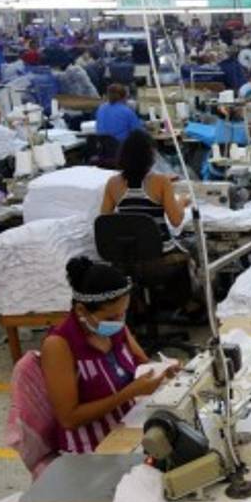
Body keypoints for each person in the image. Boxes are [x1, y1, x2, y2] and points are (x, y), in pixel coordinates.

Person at [41, 258, 175, 454]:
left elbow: (142, 363)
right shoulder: (59, 345)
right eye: (111, 317)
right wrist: (127, 394)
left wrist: (163, 371)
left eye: (123, 313)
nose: (119, 321)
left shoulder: (115, 327)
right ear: (81, 310)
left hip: (128, 427)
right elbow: (68, 418)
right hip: (91, 448)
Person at [100, 129, 190, 254]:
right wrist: (182, 202)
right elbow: (176, 221)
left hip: (130, 252)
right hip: (160, 253)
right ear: (150, 155)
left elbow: (104, 221)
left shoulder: (112, 183)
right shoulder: (161, 182)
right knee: (193, 246)